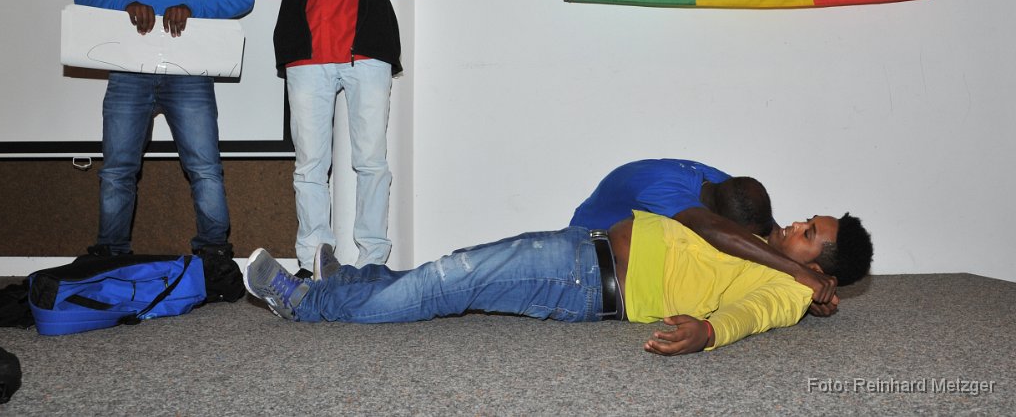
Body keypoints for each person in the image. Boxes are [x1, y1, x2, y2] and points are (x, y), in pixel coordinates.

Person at [243, 208, 873, 355]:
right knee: (459, 268)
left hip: (587, 280)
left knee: (454, 279)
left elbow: (750, 316)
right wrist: (794, 262)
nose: (796, 224)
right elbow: (698, 219)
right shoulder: (769, 252)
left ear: (822, 269)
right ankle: (353, 283)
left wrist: (708, 332)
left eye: (809, 234)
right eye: (807, 220)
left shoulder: (788, 288)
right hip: (583, 249)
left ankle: (307, 303)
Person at [232, 0, 418, 274]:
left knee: (372, 162)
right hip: (307, 52)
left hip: (367, 51)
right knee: (310, 166)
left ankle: (373, 262)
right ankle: (315, 260)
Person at [74, 0, 255, 258]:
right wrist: (124, 3)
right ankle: (111, 255)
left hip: (188, 69)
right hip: (128, 70)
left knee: (205, 168)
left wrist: (194, 7)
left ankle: (214, 255)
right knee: (117, 171)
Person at [571, 159, 840, 313]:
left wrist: (804, 291)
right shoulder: (664, 189)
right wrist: (797, 272)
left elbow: (762, 229)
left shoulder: (726, 188)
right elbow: (712, 230)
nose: (797, 224)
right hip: (586, 254)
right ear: (722, 222)